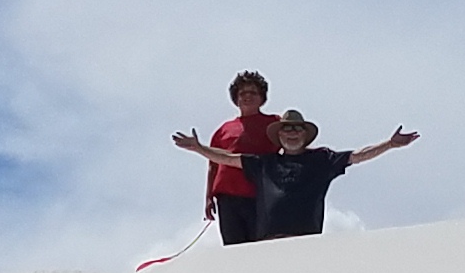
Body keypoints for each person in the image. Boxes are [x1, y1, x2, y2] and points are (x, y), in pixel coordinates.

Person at [169, 109, 418, 241]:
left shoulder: (322, 159)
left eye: (297, 129)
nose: (292, 133)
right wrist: (199, 148)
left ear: (305, 134)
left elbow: (358, 155)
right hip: (267, 244)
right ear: (279, 136)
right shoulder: (264, 163)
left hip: (306, 245)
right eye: (286, 129)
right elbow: (226, 158)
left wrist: (389, 144)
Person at [200, 71, 281, 246]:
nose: (247, 97)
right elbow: (213, 165)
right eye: (242, 93)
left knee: (261, 245)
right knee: (233, 248)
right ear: (236, 99)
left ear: (262, 97)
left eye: (253, 92)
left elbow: (292, 147)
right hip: (227, 197)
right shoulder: (223, 130)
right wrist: (208, 197)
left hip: (260, 195)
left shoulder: (274, 123)